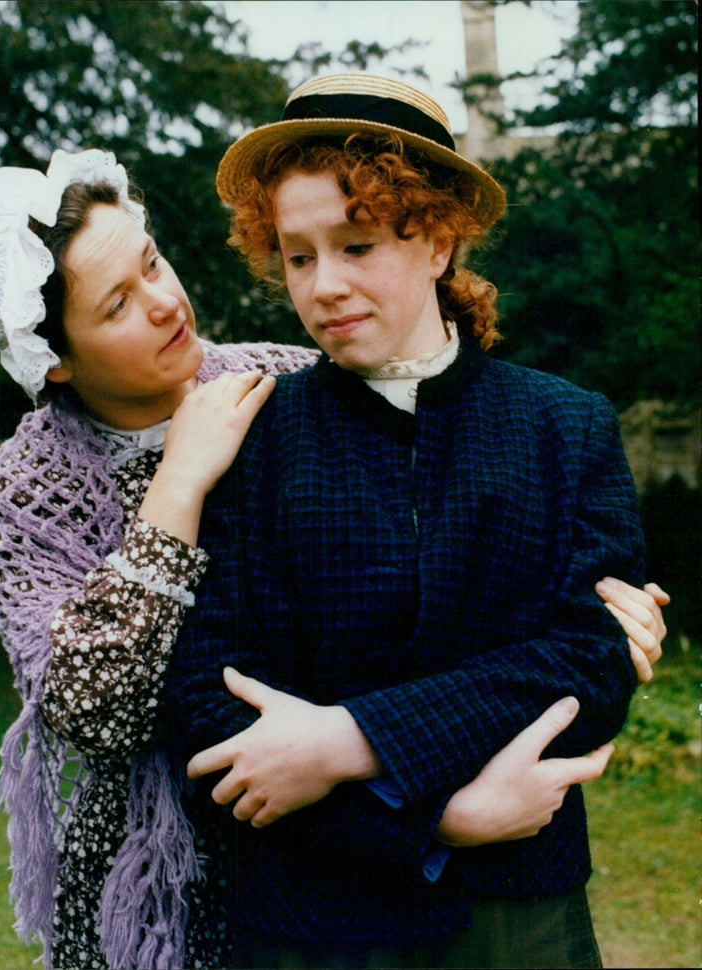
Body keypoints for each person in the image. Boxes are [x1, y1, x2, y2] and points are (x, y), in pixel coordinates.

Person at [0, 147, 667, 970]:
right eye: (116, 305)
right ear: (56, 357)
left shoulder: (279, 386)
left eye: (152, 263)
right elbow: (133, 709)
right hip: (189, 875)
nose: (164, 302)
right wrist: (178, 484)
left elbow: (568, 637)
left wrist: (351, 740)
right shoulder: (25, 488)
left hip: (453, 876)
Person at [167, 73, 665, 969]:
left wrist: (343, 741)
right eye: (297, 255)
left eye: (356, 246)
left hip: (517, 915)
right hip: (310, 921)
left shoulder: (566, 425)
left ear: (436, 240)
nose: (324, 285)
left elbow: (592, 663)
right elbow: (210, 713)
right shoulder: (251, 436)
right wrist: (438, 821)